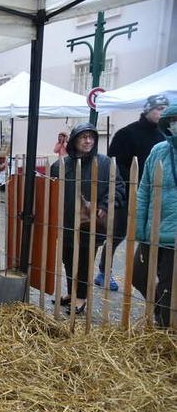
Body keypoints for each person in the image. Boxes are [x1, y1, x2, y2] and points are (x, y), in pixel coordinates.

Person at [95, 94, 170, 291]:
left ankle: (160, 280)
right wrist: (128, 187)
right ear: (147, 110)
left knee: (151, 236)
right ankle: (104, 271)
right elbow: (115, 164)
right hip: (127, 195)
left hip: (155, 198)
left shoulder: (165, 137)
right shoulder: (126, 133)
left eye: (165, 108)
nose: (162, 112)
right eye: (159, 108)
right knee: (117, 233)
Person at [50, 123, 125, 315]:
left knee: (84, 260)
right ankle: (72, 292)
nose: (88, 141)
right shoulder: (60, 165)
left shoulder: (105, 163)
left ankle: (81, 297)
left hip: (90, 224)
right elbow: (50, 190)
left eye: (91, 137)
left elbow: (117, 187)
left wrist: (104, 206)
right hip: (66, 223)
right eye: (83, 137)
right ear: (75, 140)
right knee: (68, 259)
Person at [132, 104, 177, 329]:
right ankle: (162, 310)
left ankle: (165, 327)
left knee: (169, 285)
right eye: (173, 120)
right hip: (153, 231)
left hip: (174, 237)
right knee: (138, 276)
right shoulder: (159, 150)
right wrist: (140, 228)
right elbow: (143, 191)